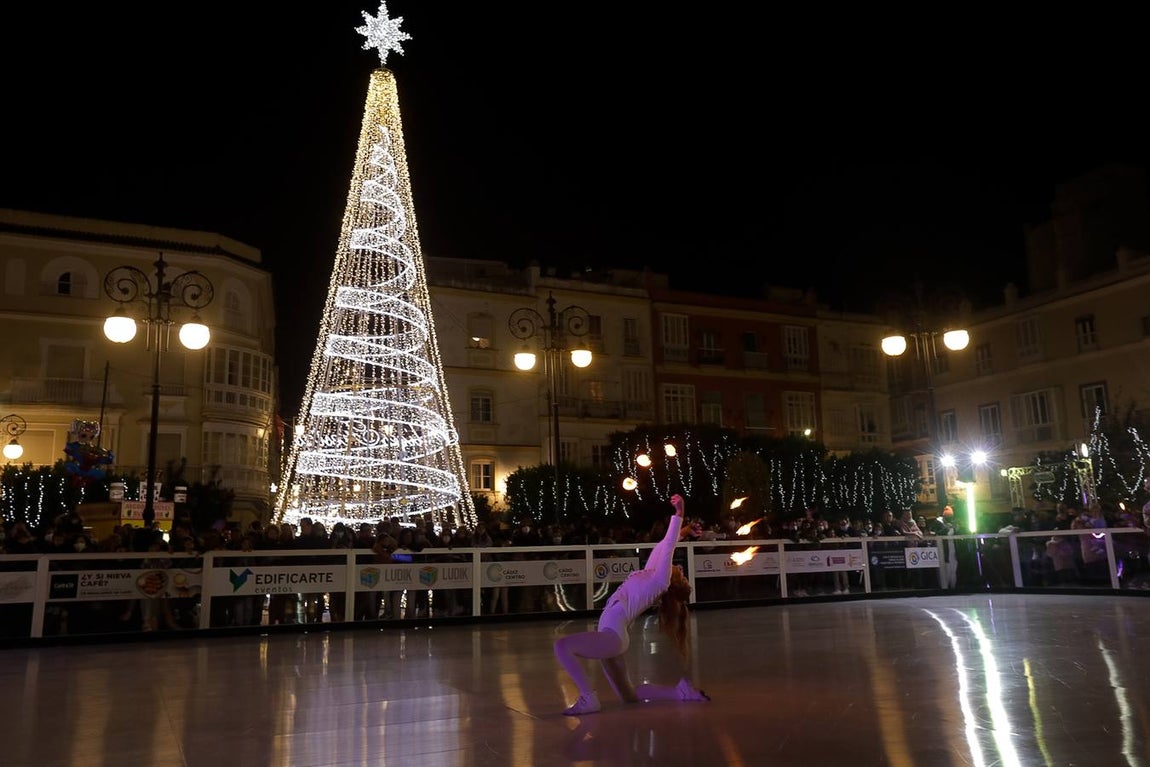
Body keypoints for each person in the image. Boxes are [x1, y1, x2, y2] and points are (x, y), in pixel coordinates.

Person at [553, 494, 709, 715]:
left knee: (562, 647)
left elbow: (667, 551)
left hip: (612, 637)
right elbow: (662, 547)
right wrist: (683, 531)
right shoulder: (652, 575)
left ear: (672, 583)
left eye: (682, 576)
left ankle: (588, 698)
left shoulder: (659, 581)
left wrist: (679, 515)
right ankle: (680, 693)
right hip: (614, 636)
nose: (681, 571)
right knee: (630, 696)